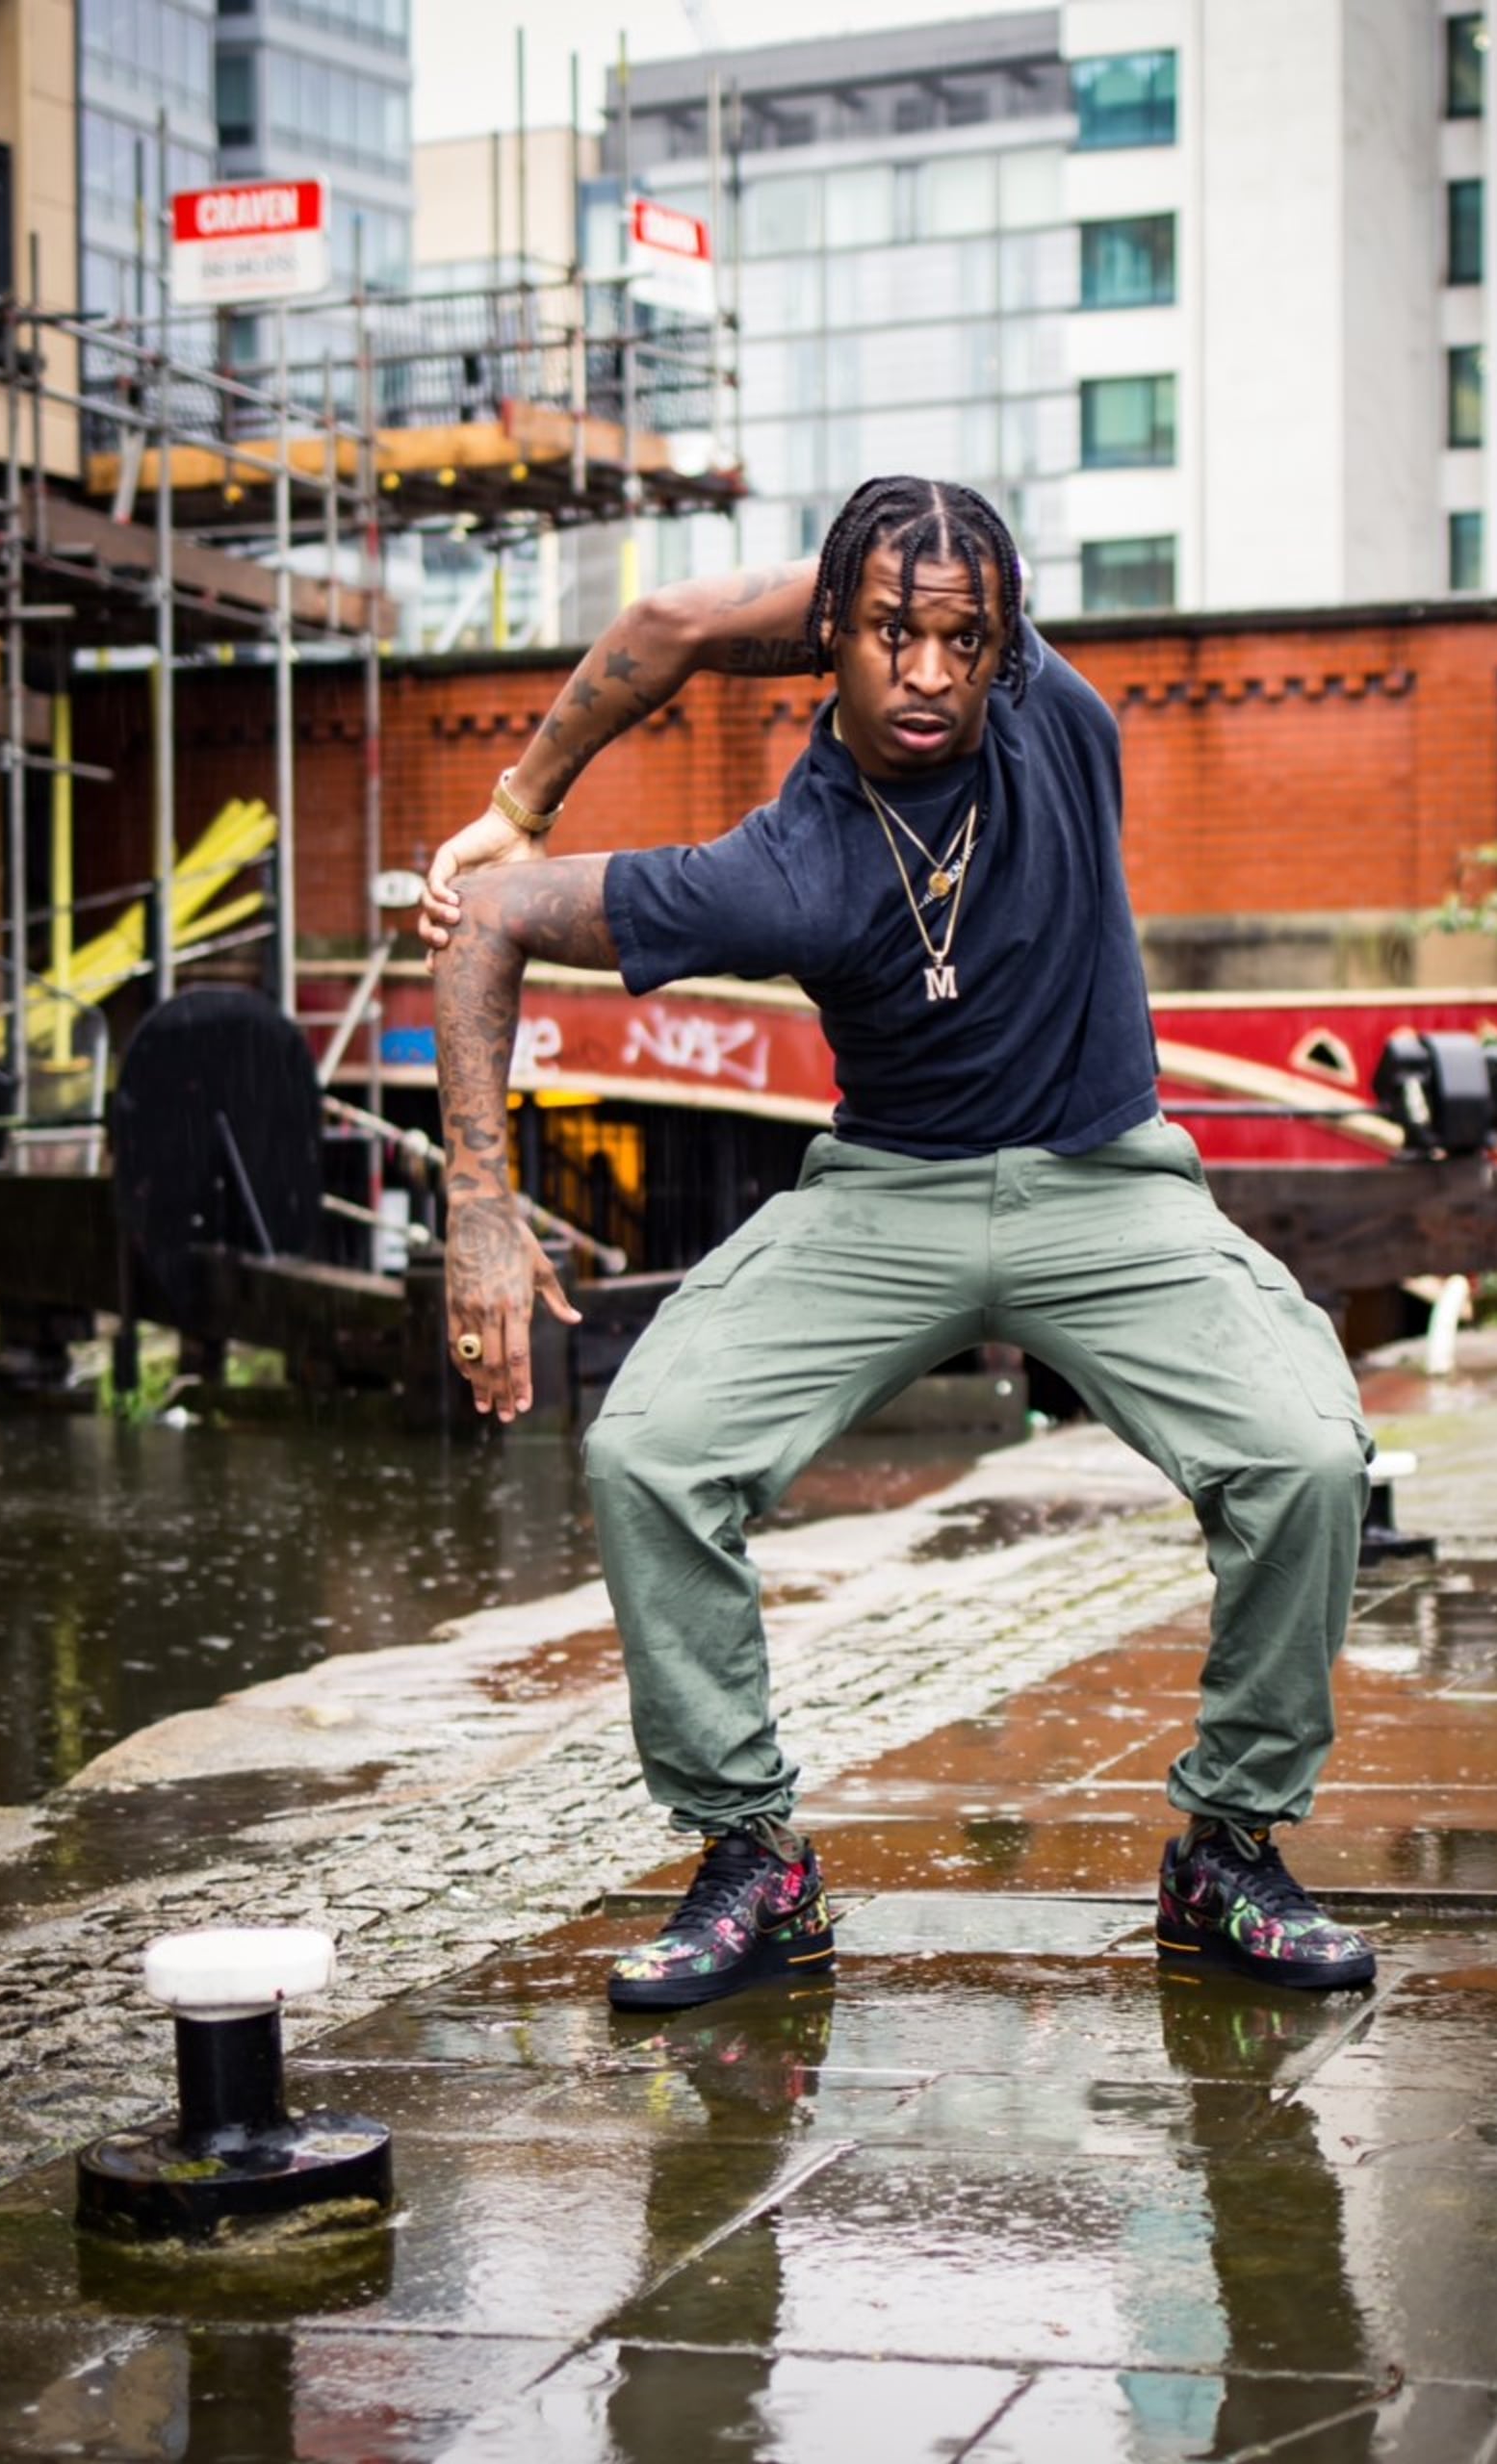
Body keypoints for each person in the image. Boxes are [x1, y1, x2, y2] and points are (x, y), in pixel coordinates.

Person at [422, 475, 1377, 2014]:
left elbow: (678, 622)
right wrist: (478, 1206)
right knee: (650, 1451)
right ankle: (753, 1865)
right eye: (884, 635)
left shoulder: (1044, 712)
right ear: (829, 643)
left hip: (1107, 1188)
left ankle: (1229, 1852)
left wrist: (533, 794)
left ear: (1004, 644)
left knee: (1310, 1462)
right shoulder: (782, 868)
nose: (928, 674)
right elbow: (486, 923)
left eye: (960, 639)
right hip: (882, 1199)